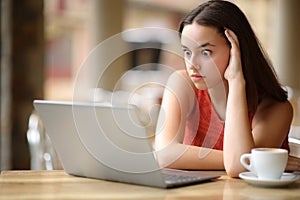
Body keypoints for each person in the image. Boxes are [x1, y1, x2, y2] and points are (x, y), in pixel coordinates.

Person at [155, 0, 300, 177]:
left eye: (206, 52)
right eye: (187, 52)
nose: (192, 64)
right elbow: (163, 155)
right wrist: (248, 159)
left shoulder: (276, 109)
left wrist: (236, 80)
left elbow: (238, 168)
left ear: (236, 50)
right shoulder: (182, 83)